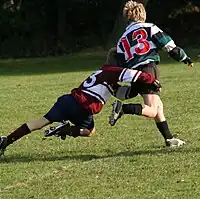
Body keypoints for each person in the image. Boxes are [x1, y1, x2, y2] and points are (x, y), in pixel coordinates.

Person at [0, 62, 161, 157]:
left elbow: (123, 94)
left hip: (68, 101)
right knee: (89, 131)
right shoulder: (113, 72)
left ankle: (7, 140)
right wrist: (153, 81)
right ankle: (69, 129)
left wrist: (137, 88)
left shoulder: (103, 74)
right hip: (83, 108)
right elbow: (136, 75)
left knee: (41, 122)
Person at [108, 0, 193, 147]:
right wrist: (184, 57)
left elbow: (120, 64)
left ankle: (169, 138)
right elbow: (168, 45)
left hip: (133, 73)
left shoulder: (122, 39)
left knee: (158, 106)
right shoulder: (149, 27)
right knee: (153, 109)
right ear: (143, 14)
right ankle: (123, 108)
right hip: (148, 69)